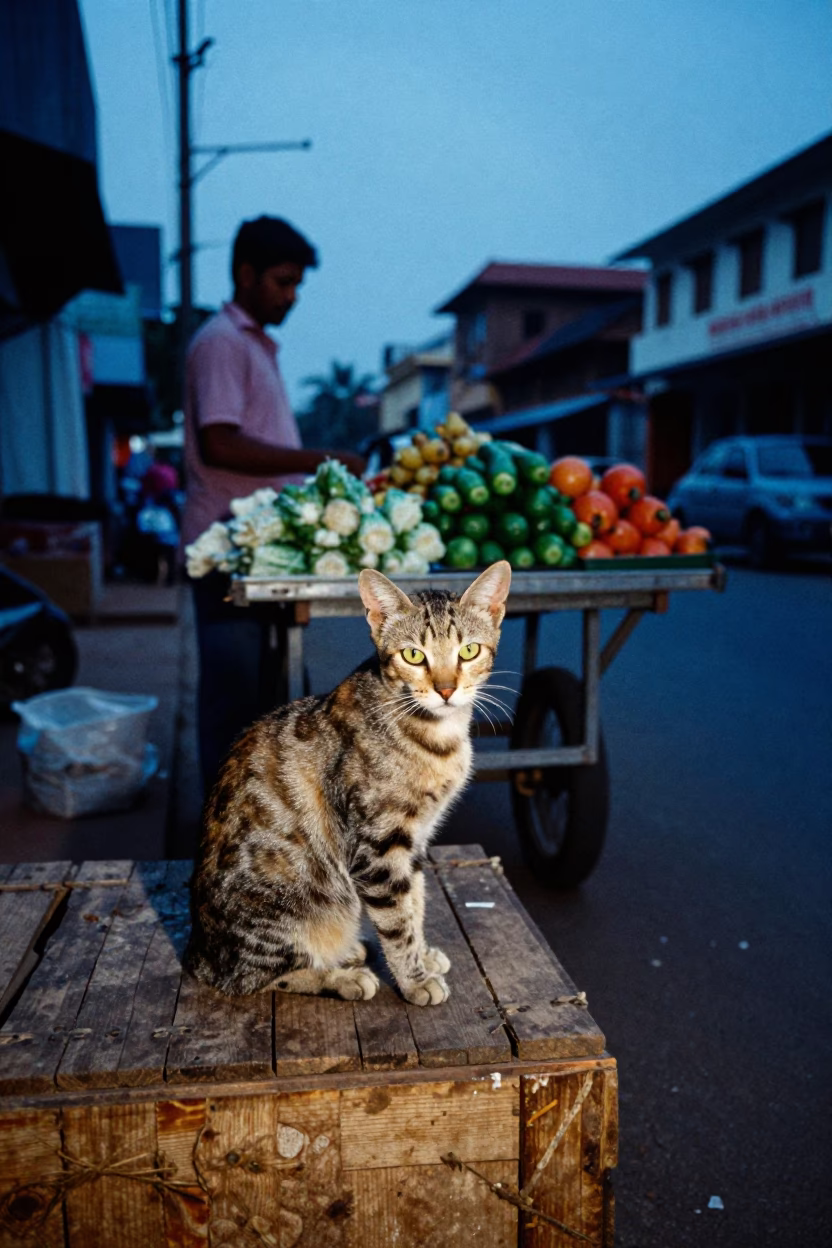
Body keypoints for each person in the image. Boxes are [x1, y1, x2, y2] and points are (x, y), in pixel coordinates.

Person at [182, 215, 365, 793]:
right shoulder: (221, 343)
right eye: (283, 282)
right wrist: (319, 459)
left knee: (279, 699)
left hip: (261, 554)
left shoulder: (255, 347)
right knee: (235, 705)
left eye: (296, 285)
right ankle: (220, 843)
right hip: (225, 551)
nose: (291, 297)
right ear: (246, 274)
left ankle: (272, 830)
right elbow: (220, 440)